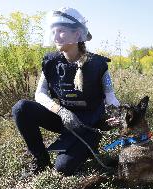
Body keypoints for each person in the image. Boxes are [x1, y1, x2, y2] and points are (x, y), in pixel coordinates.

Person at [12, 7, 120, 177]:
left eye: (61, 31)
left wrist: (116, 114)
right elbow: (40, 94)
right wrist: (61, 111)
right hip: (64, 118)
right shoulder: (51, 62)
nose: (55, 36)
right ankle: (41, 160)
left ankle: (88, 146)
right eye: (53, 31)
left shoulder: (98, 65)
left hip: (88, 124)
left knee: (63, 167)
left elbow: (110, 96)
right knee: (21, 108)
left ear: (77, 34)